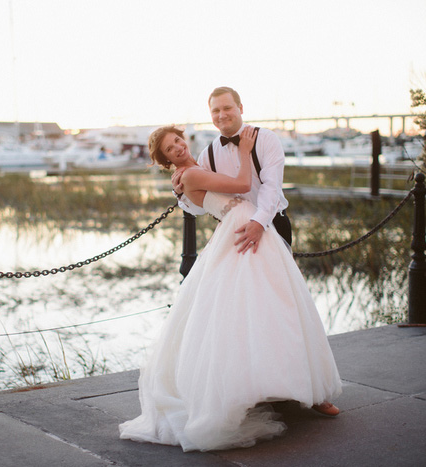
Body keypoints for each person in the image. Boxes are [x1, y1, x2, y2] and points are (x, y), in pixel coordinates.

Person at [118, 125, 342, 452]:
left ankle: (289, 387)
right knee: (254, 308)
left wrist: (181, 190)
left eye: (177, 140)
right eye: (170, 149)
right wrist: (242, 151)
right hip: (240, 228)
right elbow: (241, 184)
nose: (178, 147)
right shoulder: (191, 174)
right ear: (165, 159)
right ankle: (261, 390)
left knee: (273, 305)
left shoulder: (196, 169)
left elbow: (206, 197)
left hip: (255, 225)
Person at [173, 86, 292, 252]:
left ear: (240, 108)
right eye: (216, 110)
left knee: (277, 278)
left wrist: (258, 222)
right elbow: (202, 208)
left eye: (227, 108)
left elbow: (271, 185)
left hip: (272, 223)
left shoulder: (266, 138)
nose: (222, 115)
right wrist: (182, 193)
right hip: (234, 233)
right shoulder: (207, 155)